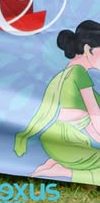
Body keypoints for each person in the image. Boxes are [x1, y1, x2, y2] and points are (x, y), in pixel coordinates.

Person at [14, 20, 100, 184]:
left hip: (62, 139)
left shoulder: (69, 71)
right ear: (89, 49)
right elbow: (96, 119)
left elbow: (88, 122)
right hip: (66, 141)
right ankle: (63, 171)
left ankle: (54, 164)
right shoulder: (78, 74)